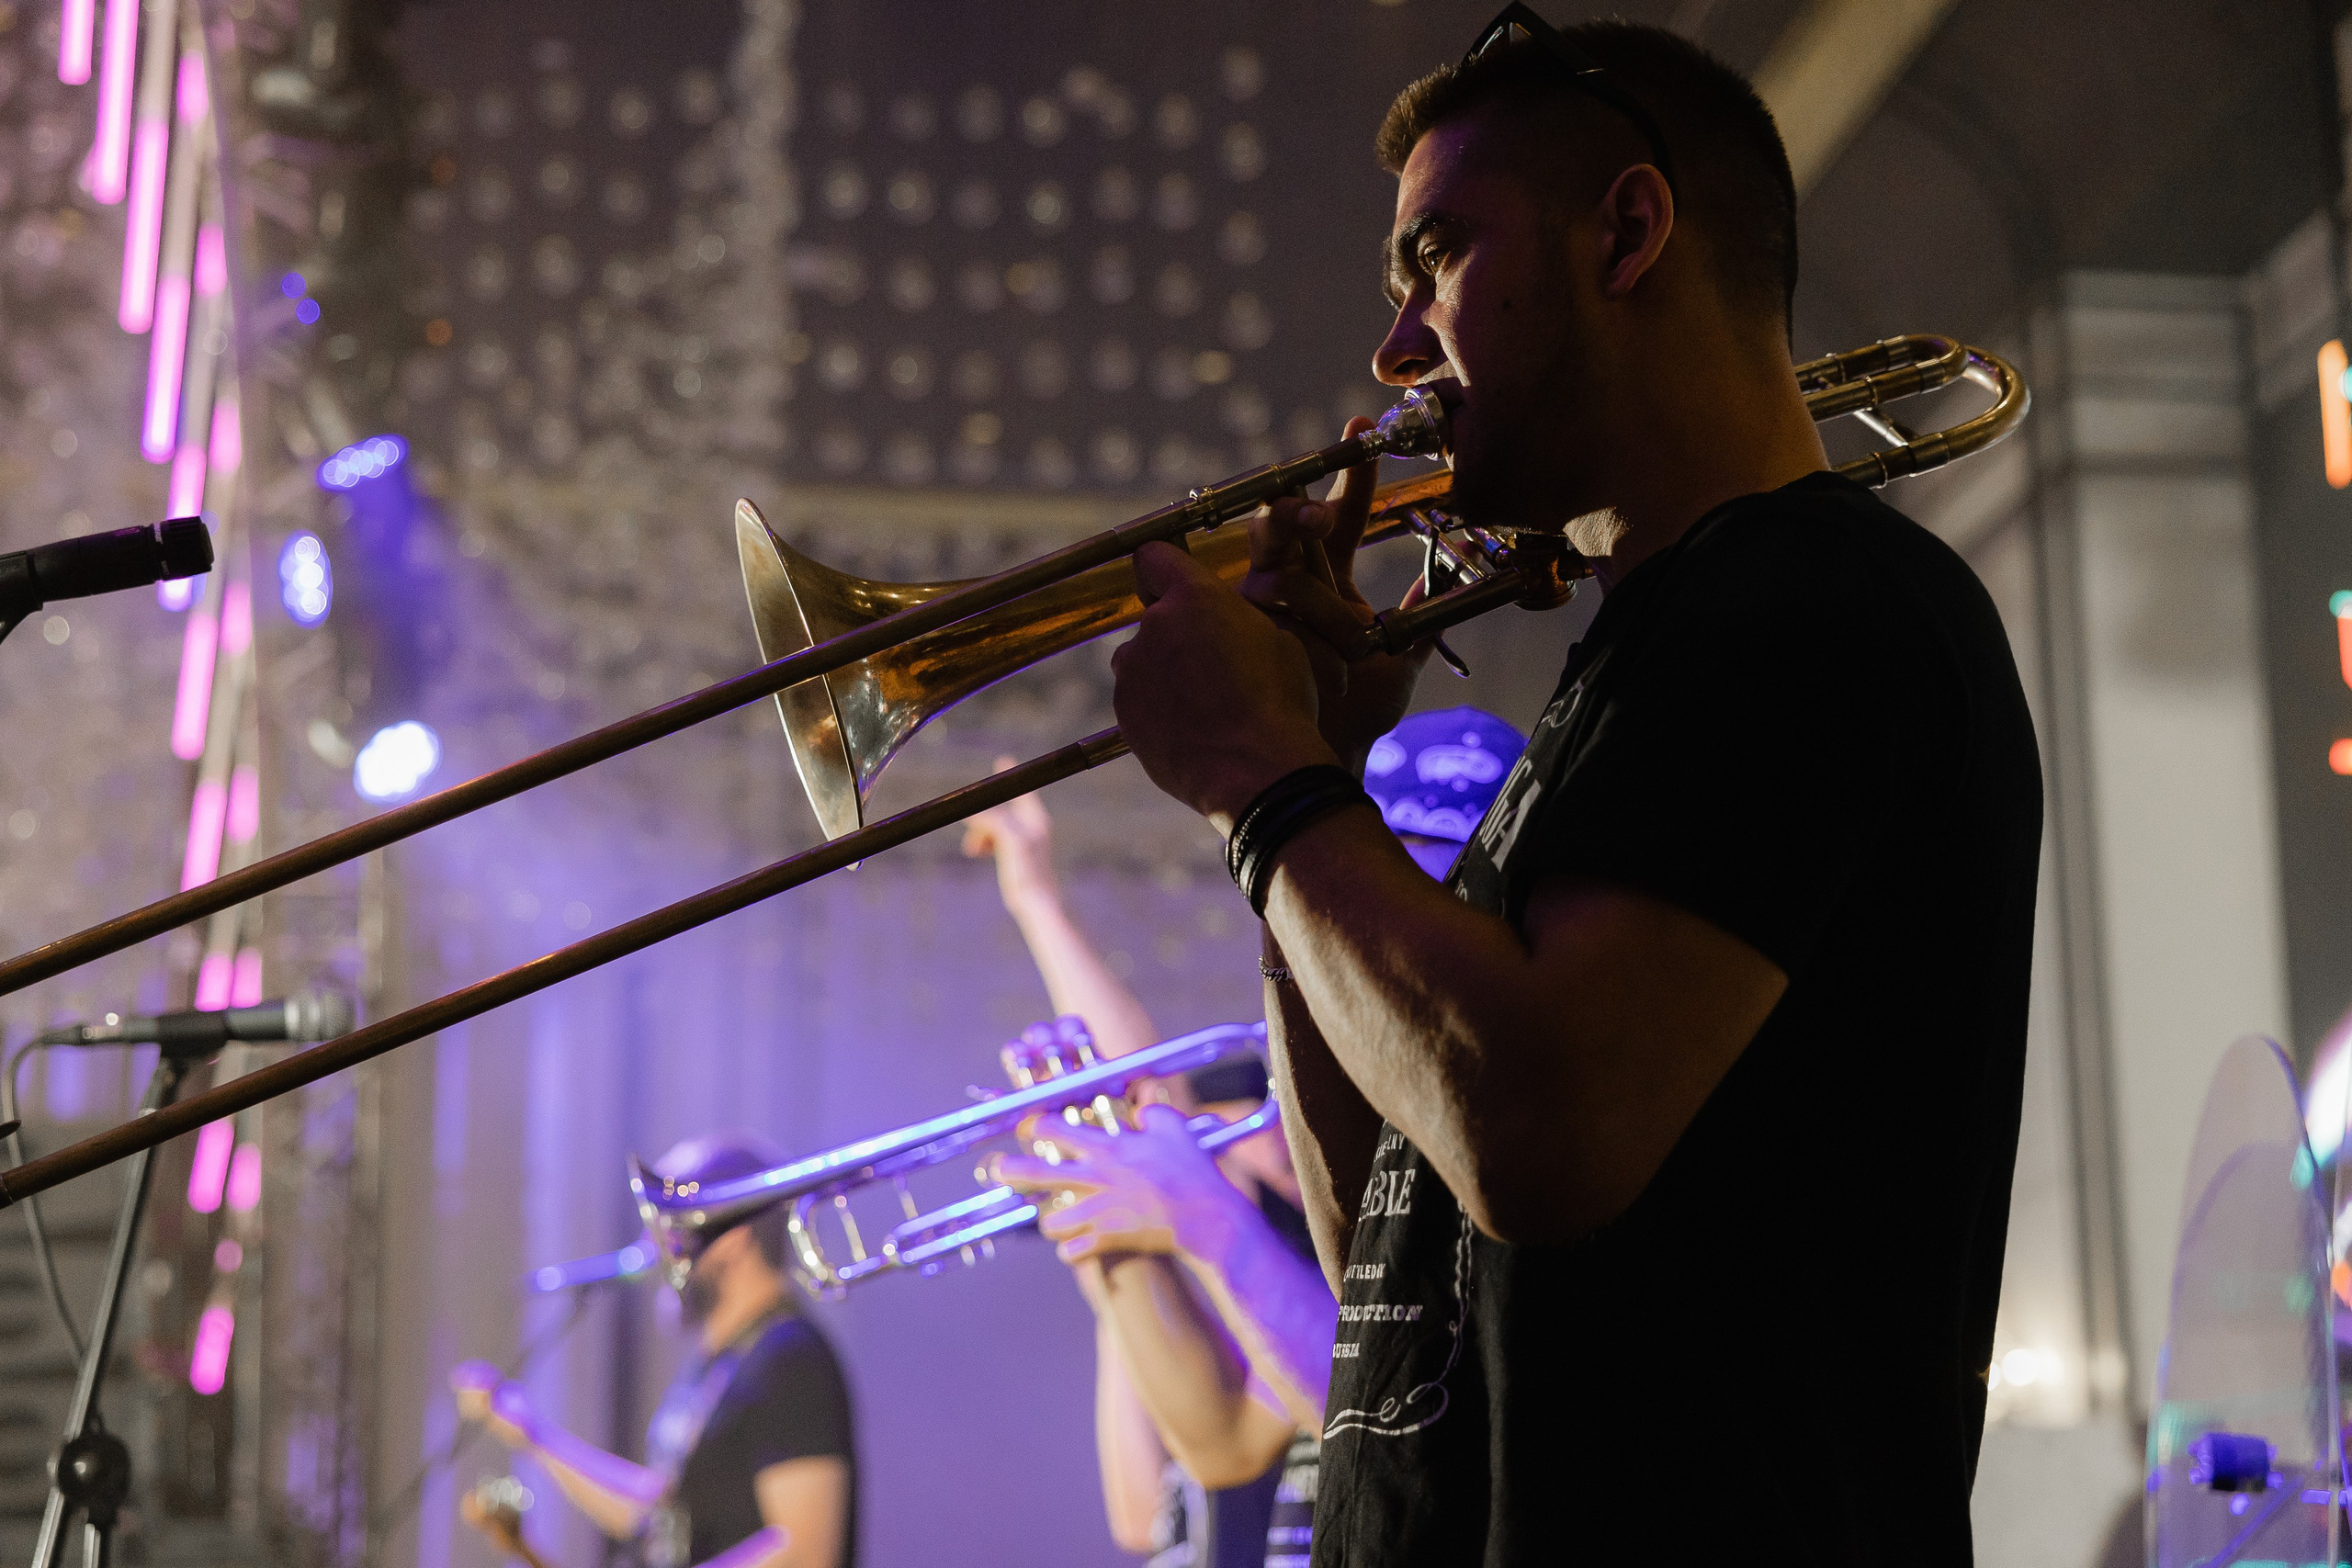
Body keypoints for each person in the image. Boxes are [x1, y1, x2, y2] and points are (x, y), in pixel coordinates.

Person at [1102, 12, 2042, 1567]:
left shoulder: (1817, 601)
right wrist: (1310, 790)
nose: (1397, 350)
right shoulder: (1632, 677)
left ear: (1628, 230)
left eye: (1438, 259)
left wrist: (1267, 788)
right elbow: (1389, 1271)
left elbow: (1541, 1132)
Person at [967, 710, 1527, 1568]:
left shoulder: (1506, 1145)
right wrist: (1100, 1207)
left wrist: (1203, 1214)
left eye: (1439, 879)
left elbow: (1387, 1410)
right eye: (1387, 876)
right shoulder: (1366, 1160)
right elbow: (1217, 1441)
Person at [452, 1135, 859, 1568]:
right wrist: (533, 1435)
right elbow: (657, 1512)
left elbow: (808, 1552)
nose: (656, 1247)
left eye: (675, 1227)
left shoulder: (790, 1357)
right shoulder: (721, 1361)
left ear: (735, 1235)